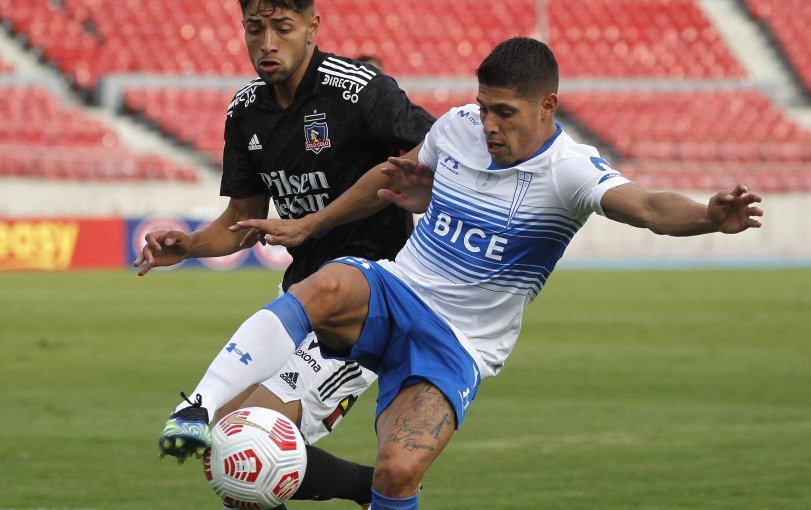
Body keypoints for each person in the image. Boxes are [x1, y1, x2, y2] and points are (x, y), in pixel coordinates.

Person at [178, 36, 764, 509]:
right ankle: (198, 406)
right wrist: (310, 227)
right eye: (484, 107)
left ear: (546, 107)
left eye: (504, 113)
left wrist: (708, 218)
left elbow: (650, 209)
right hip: (398, 289)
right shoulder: (456, 127)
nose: (487, 124)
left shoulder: (570, 171)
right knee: (321, 293)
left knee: (398, 471)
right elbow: (391, 177)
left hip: (460, 342)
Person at [133, 0, 434, 508]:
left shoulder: (357, 89)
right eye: (255, 29)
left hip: (366, 308)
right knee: (225, 447)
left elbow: (437, 145)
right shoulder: (246, 110)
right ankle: (369, 489)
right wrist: (190, 245)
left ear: (312, 27)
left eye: (282, 28)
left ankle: (376, 488)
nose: (267, 43)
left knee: (246, 439)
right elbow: (240, 220)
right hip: (297, 301)